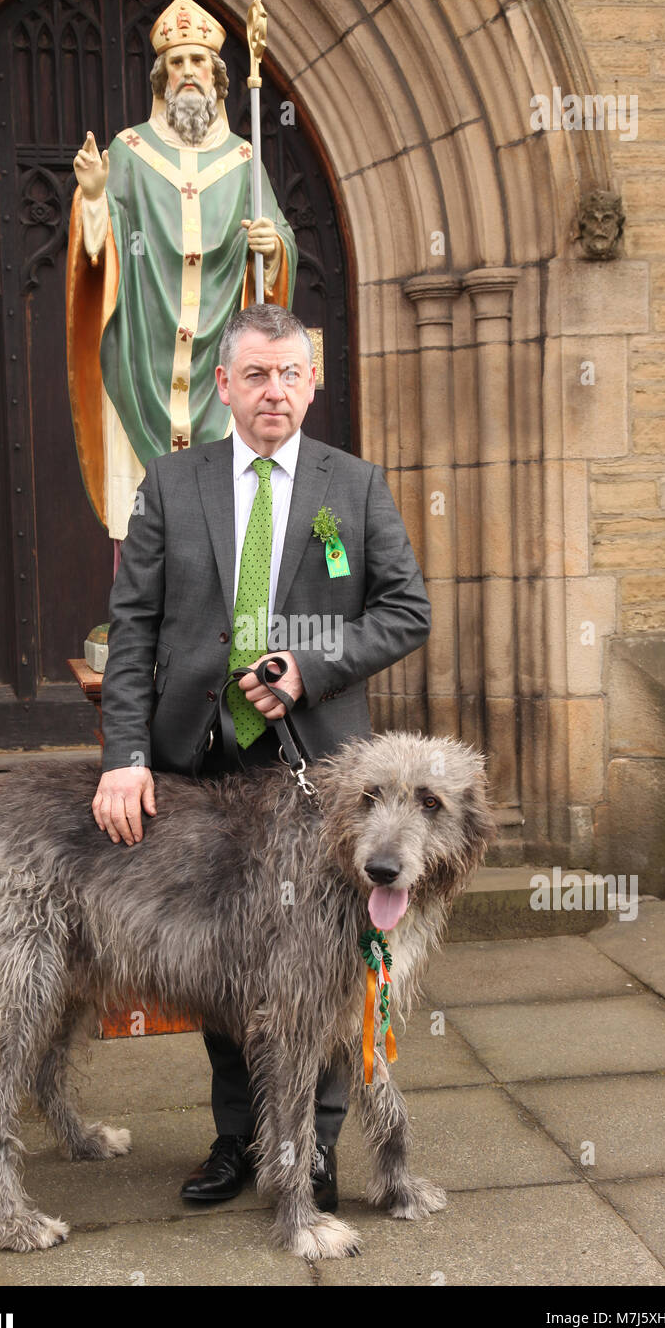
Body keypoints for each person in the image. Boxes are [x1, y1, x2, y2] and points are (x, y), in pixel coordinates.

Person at [92, 303, 432, 1209]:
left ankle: (313, 1149)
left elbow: (405, 610)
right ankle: (239, 1139)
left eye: (289, 374)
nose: (273, 390)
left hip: (320, 777)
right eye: (255, 374)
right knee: (221, 961)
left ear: (311, 384)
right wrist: (124, 754)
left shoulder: (353, 486)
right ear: (224, 385)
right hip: (197, 770)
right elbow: (131, 629)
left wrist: (309, 670)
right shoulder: (171, 483)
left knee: (323, 963)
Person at [66, 0, 297, 543]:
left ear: (217, 77)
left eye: (198, 62)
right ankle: (146, 624)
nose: (187, 72)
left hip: (216, 360)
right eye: (176, 62)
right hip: (142, 358)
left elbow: (277, 241)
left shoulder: (243, 159)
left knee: (225, 520)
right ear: (160, 77)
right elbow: (100, 252)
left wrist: (272, 246)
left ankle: (226, 626)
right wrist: (95, 199)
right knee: (147, 522)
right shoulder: (128, 151)